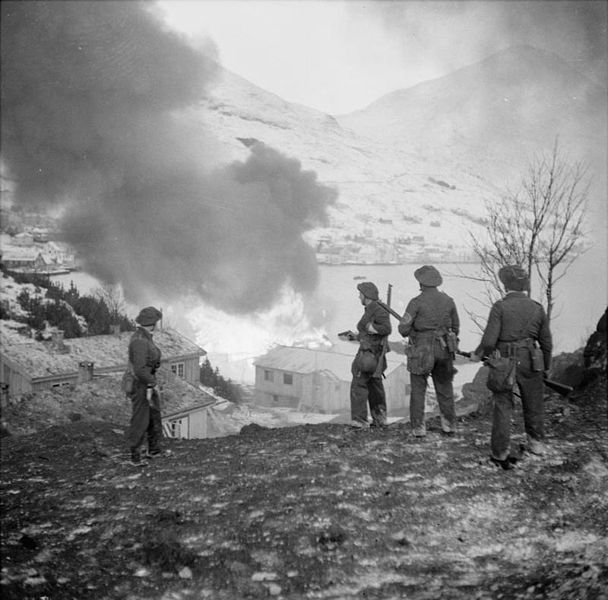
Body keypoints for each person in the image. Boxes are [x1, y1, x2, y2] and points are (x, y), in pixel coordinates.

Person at [472, 265, 552, 469]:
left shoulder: (499, 307)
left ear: (505, 284)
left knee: (502, 405)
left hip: (504, 361)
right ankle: (537, 446)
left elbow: (489, 341)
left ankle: (500, 454)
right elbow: (546, 342)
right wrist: (546, 367)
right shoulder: (537, 307)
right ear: (523, 285)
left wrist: (479, 355)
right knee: (533, 403)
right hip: (531, 360)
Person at [398, 265, 459, 438]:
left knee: (418, 390)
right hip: (444, 349)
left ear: (421, 283)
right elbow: (455, 327)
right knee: (445, 389)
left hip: (421, 351)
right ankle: (449, 425)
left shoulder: (415, 302)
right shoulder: (449, 301)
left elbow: (403, 329)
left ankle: (418, 428)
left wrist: (415, 332)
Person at [341, 282, 392, 429]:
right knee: (375, 386)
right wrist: (356, 337)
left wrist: (372, 328)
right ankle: (380, 418)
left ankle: (359, 420)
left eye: (361, 294)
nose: (359, 296)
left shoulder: (377, 309)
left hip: (368, 355)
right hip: (373, 354)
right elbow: (369, 334)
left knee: (359, 384)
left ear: (366, 295)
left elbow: (386, 328)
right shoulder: (373, 308)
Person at [125, 306, 163, 466]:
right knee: (140, 419)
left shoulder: (145, 336)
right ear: (152, 323)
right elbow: (140, 369)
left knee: (154, 416)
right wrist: (152, 383)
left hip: (147, 381)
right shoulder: (140, 340)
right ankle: (135, 457)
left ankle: (153, 450)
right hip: (141, 384)